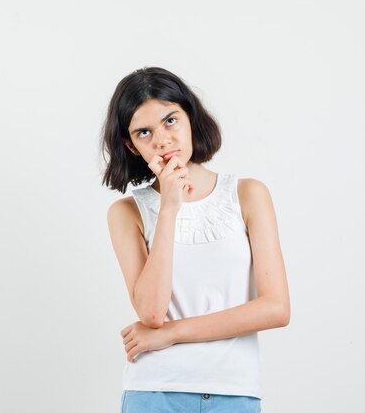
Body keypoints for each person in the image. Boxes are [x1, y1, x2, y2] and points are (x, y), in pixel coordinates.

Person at [100, 66, 290, 413]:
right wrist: (169, 209)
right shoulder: (126, 213)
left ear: (190, 116)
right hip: (154, 392)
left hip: (234, 392)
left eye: (170, 120)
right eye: (144, 132)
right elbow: (152, 313)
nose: (161, 140)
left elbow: (276, 308)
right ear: (130, 144)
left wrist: (171, 334)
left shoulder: (248, 194)